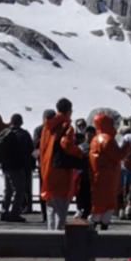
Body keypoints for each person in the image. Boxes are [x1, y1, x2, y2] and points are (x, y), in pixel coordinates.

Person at [39, 99, 84, 231]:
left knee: (51, 208)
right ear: (69, 111)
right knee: (61, 210)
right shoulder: (66, 127)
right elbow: (67, 145)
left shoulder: (46, 127)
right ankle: (58, 244)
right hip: (61, 173)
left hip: (47, 171)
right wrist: (80, 152)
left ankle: (49, 241)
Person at [0, 113, 35, 221]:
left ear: (11, 122)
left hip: (5, 166)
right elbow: (30, 151)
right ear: (21, 122)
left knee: (8, 190)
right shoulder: (24, 134)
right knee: (19, 190)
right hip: (17, 166)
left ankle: (4, 212)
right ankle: (14, 213)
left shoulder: (4, 133)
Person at [88, 110, 124, 226]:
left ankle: (96, 221)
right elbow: (118, 155)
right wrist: (127, 146)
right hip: (108, 175)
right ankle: (102, 222)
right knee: (108, 201)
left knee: (99, 201)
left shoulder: (95, 139)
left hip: (99, 174)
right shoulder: (107, 139)